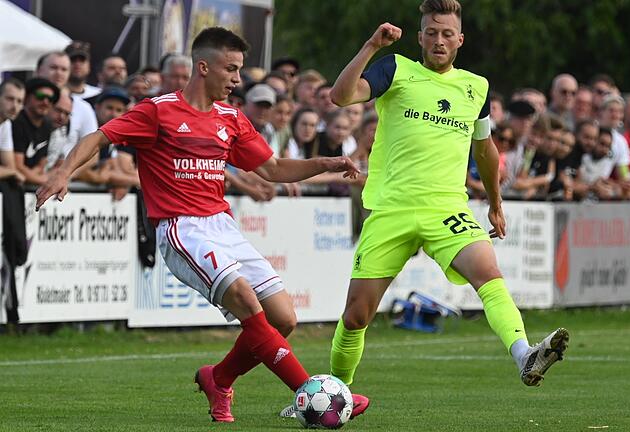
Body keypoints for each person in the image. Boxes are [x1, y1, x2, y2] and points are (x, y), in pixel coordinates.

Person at [35, 27, 367, 424]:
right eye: (231, 69)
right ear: (203, 67)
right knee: (246, 301)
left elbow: (273, 168)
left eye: (240, 70)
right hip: (181, 229)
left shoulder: (231, 117)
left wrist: (324, 164)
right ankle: (314, 395)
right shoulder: (159, 111)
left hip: (221, 225)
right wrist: (63, 172)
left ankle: (219, 378)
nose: (237, 79)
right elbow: (98, 137)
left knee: (283, 319)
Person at [305, 0, 569, 411]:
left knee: (488, 272)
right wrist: (372, 45)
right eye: (431, 32)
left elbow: (486, 150)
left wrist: (495, 203)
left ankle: (524, 355)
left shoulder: (475, 87)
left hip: (447, 207)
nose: (439, 40)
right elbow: (341, 97)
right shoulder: (396, 69)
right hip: (391, 209)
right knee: (356, 316)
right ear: (420, 36)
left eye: (447, 33)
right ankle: (336, 394)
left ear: (460, 39)